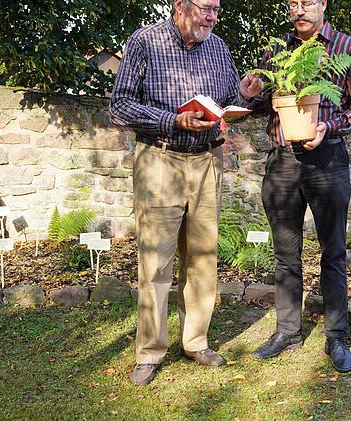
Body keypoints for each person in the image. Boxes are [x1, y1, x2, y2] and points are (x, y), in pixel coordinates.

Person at [109, 0, 262, 386]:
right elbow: (120, 106)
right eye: (205, 7)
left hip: (208, 160)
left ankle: (195, 341)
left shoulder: (218, 47)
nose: (212, 16)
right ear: (180, 5)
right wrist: (172, 119)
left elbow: (229, 102)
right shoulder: (145, 41)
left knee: (202, 256)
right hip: (160, 158)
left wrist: (244, 95)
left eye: (217, 9)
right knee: (156, 261)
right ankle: (149, 352)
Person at [247, 0, 351, 373]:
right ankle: (287, 330)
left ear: (323, 4)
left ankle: (336, 335)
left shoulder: (348, 49)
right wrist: (251, 94)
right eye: (293, 3)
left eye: (308, 2)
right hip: (282, 163)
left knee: (333, 253)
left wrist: (327, 127)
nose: (299, 10)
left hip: (328, 161)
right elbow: (264, 106)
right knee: (285, 254)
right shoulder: (278, 51)